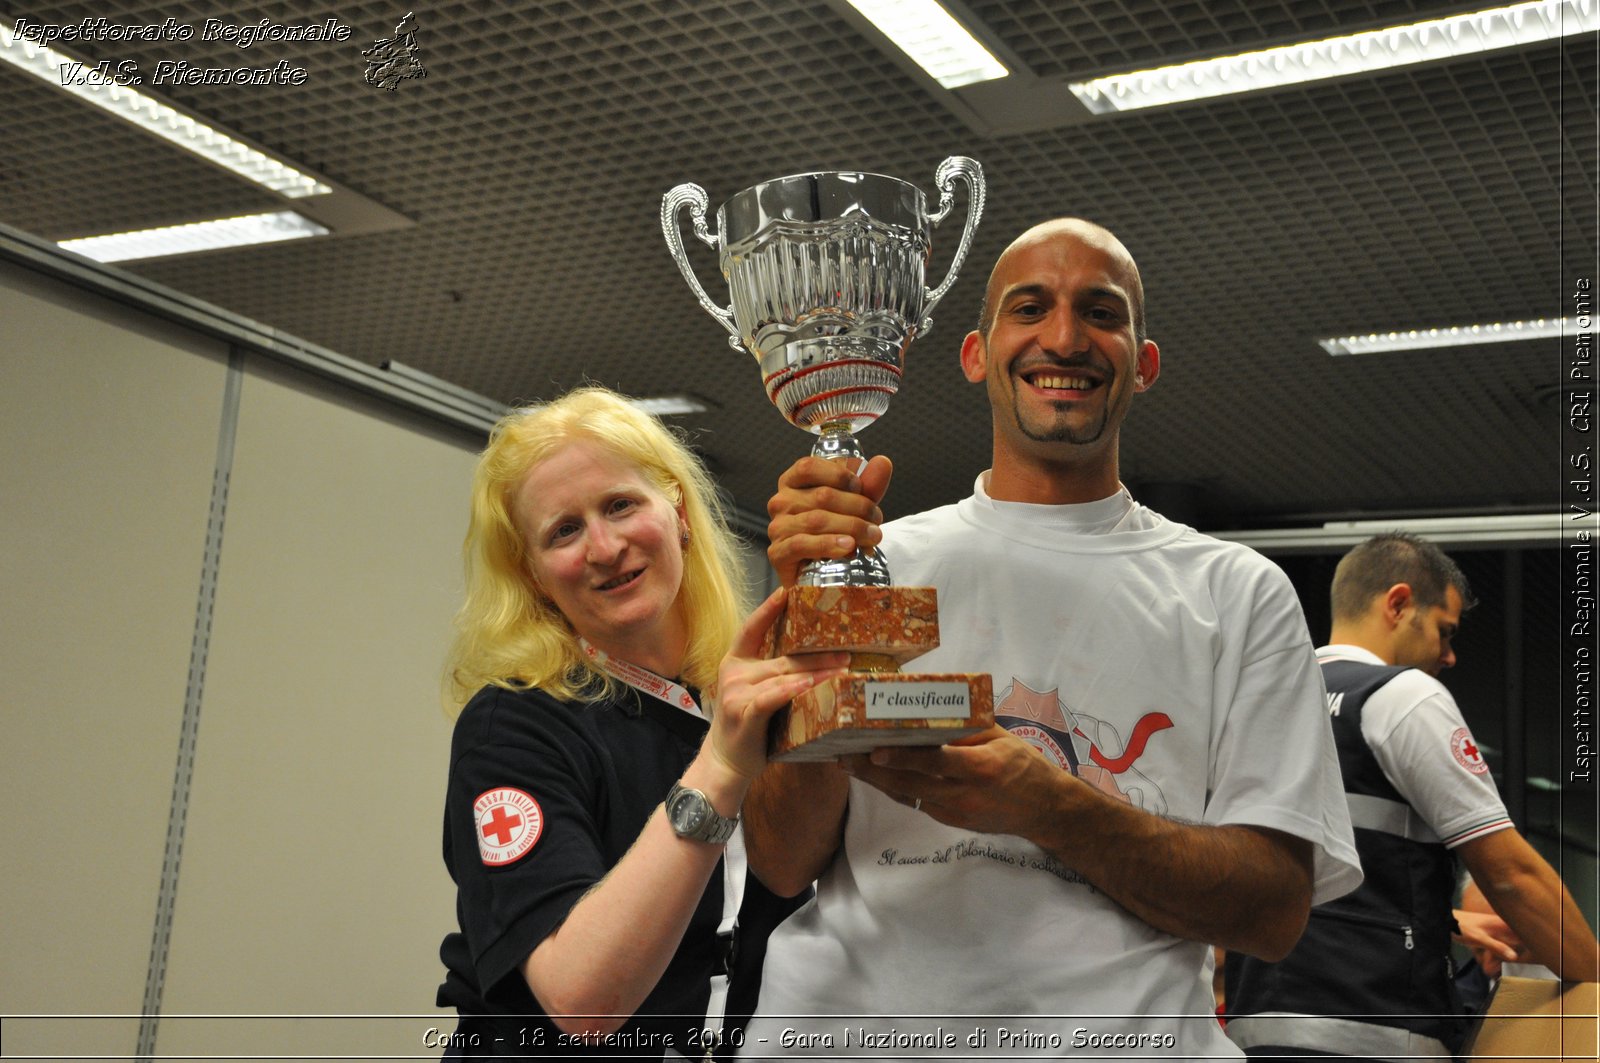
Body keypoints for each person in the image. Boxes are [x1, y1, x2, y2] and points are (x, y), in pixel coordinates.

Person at [739, 218, 1363, 1058]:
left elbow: (1273, 912)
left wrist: (1047, 804)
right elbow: (779, 862)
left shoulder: (1236, 592)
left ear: (1142, 364)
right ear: (974, 353)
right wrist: (815, 645)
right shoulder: (877, 563)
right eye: (1030, 307)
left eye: (1100, 313)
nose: (1064, 338)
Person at [434, 386, 849, 1058]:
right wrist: (721, 767)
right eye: (563, 530)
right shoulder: (514, 724)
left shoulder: (734, 698)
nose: (603, 546)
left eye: (621, 505)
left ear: (679, 512)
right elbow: (583, 1001)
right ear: (535, 576)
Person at [1224, 533, 1599, 1061]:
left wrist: (1447, 918)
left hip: (1256, 1028)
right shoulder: (1402, 696)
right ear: (1398, 604)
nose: (1449, 656)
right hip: (1375, 1030)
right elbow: (1511, 875)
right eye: (1445, 632)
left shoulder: (1256, 698)